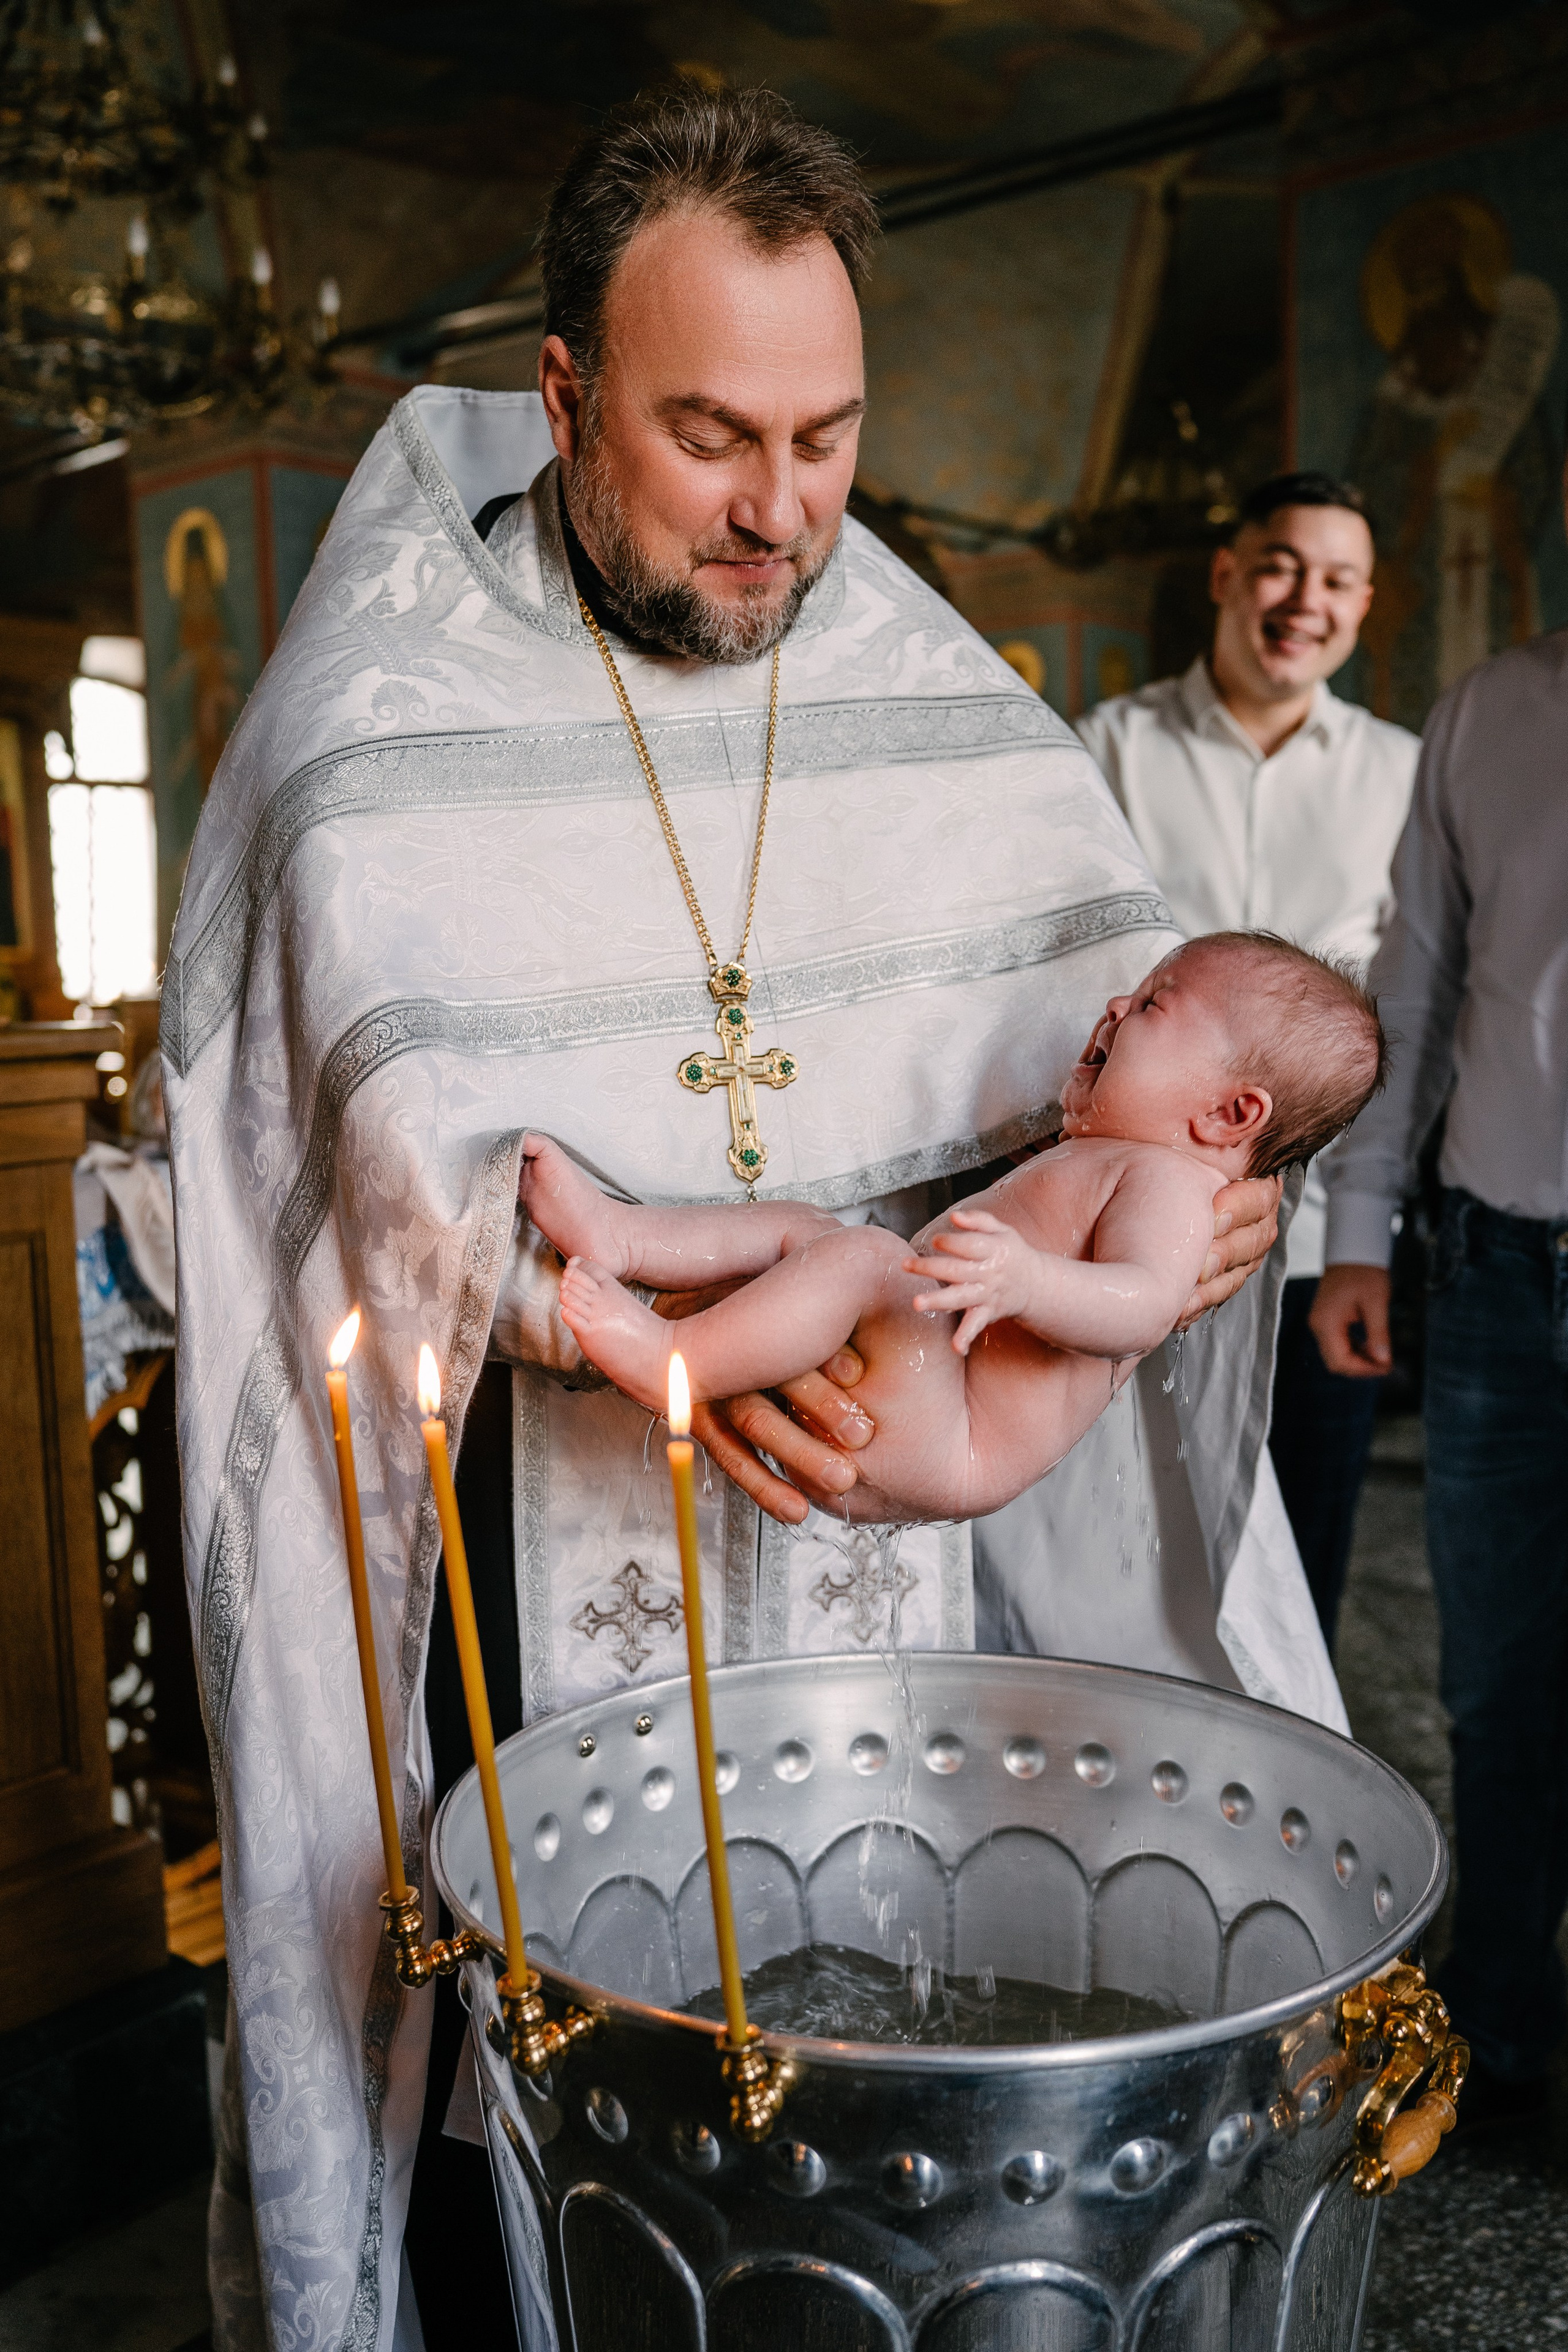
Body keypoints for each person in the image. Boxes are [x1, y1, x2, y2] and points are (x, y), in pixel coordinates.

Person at [166, 89, 1330, 2352]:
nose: (781, 510)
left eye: (827, 437)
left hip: (893, 1544)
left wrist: (1198, 1229)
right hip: (523, 1518)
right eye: (711, 438)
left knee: (877, 2098)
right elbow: (330, 1119)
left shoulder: (929, 695)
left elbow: (1159, 1041)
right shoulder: (372, 712)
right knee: (541, 2139)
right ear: (567, 395)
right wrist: (560, 1292)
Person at [526, 937, 1384, 1521]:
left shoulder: (1167, 1185)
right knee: (812, 1232)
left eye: (1157, 1003)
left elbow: (1146, 1306)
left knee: (862, 1255)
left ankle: (672, 1364)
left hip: (955, 1436)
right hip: (929, 1393)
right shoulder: (1120, 1153)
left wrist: (1028, 1282)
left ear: (1231, 1115)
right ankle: (621, 1238)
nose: (1120, 1001)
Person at [1312, 528, 1568, 2131]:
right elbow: (1411, 991)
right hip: (1492, 1270)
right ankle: (1503, 2024)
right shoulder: (1490, 711)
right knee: (1500, 1680)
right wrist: (1357, 1240)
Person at [1076, 472, 1419, 1651]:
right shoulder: (1106, 749)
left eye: (1335, 580)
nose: (1302, 599)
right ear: (1227, 576)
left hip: (1324, 1249)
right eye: (1279, 565)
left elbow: (1413, 1013)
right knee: (1126, 1541)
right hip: (1121, 1229)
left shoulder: (1403, 774)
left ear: (1364, 606)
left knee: (1301, 1561)